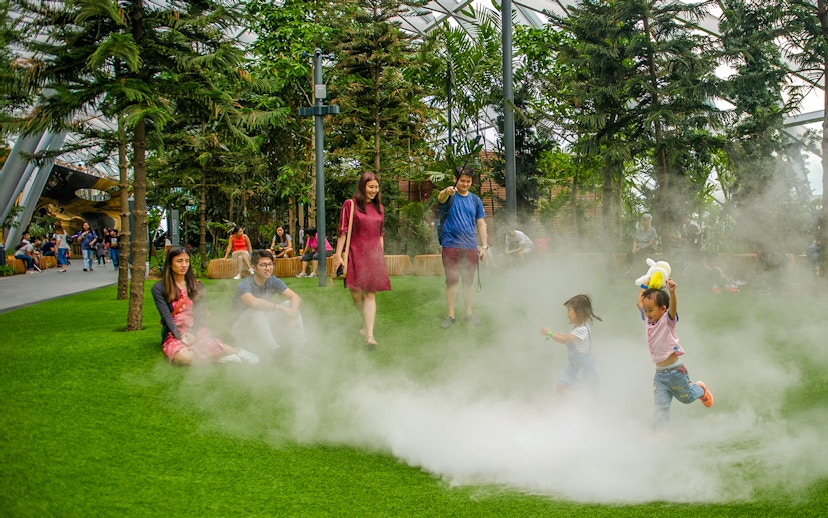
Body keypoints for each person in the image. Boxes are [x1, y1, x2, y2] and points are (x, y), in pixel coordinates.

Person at [151, 246, 259, 366]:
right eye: (179, 261)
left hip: (197, 328)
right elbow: (166, 316)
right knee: (182, 357)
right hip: (174, 332)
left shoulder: (197, 285)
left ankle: (238, 352)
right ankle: (218, 357)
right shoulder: (159, 288)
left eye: (187, 261)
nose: (184, 265)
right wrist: (179, 335)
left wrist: (192, 332)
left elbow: (200, 314)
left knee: (206, 343)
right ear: (170, 264)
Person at [636, 279, 713, 431]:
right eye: (646, 310)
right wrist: (645, 285)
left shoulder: (667, 321)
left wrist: (672, 292)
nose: (647, 313)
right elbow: (639, 302)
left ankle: (701, 389)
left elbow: (673, 308)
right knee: (661, 407)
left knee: (687, 398)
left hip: (676, 371)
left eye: (651, 310)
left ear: (662, 309)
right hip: (660, 375)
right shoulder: (647, 319)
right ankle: (659, 434)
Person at [332, 172, 391, 348]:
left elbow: (380, 234)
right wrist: (337, 255)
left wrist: (380, 255)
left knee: (370, 294)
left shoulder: (380, 209)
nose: (374, 190)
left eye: (376, 187)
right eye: (370, 186)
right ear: (362, 186)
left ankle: (370, 335)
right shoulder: (350, 205)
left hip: (373, 255)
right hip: (354, 253)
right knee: (357, 296)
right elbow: (343, 232)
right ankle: (366, 324)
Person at [436, 165, 488, 328]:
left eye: (468, 181)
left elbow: (481, 224)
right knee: (452, 281)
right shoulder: (449, 195)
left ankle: (468, 313)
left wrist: (484, 246)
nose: (465, 184)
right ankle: (451, 315)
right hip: (450, 245)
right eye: (462, 181)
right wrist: (446, 191)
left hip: (469, 246)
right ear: (455, 179)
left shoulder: (475, 200)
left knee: (468, 281)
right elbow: (440, 198)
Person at [230, 249, 305, 360]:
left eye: (270, 264)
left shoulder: (273, 280)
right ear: (254, 267)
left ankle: (300, 346)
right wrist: (281, 309)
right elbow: (253, 303)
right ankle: (274, 351)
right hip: (241, 329)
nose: (268, 268)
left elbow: (295, 297)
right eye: (263, 265)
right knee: (256, 310)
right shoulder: (244, 285)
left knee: (289, 304)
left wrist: (292, 315)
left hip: (260, 323)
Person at [539, 294, 602, 394]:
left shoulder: (583, 329)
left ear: (579, 312)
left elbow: (565, 340)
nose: (567, 314)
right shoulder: (577, 327)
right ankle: (562, 408)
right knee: (561, 386)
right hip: (574, 367)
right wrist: (563, 335)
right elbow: (570, 339)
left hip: (584, 368)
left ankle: (596, 407)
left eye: (569, 310)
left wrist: (550, 333)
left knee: (588, 392)